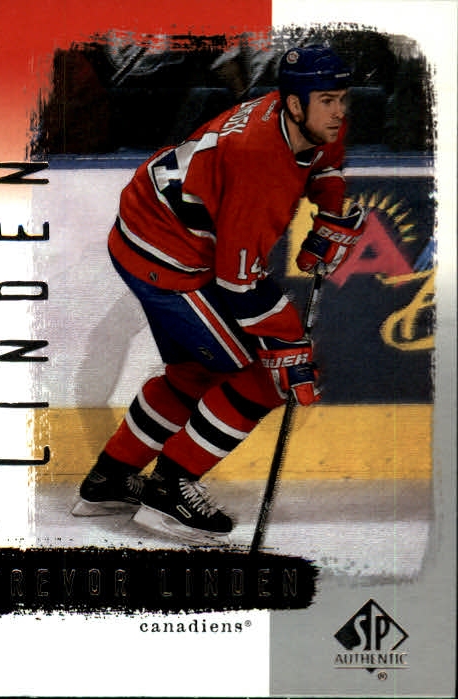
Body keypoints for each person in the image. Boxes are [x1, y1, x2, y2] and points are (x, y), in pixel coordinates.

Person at [73, 44, 367, 543]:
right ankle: (169, 490)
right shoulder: (259, 163)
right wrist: (288, 343)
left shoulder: (304, 117)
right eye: (328, 101)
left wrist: (331, 212)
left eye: (343, 98)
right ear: (295, 105)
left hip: (149, 234)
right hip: (169, 257)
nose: (340, 111)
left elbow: (325, 161)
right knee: (267, 377)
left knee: (194, 372)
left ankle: (109, 479)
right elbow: (238, 281)